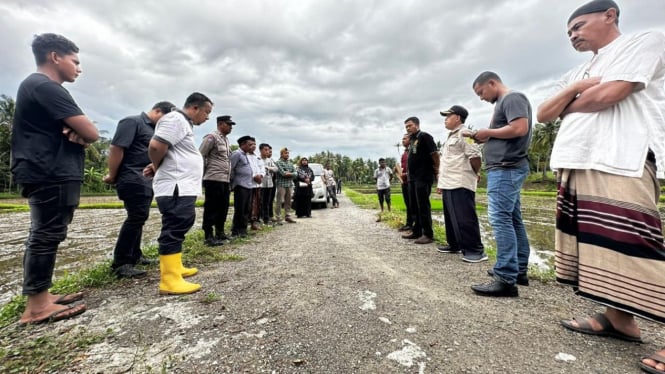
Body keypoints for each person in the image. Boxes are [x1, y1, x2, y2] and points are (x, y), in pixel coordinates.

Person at [536, 1, 665, 371]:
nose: (573, 35)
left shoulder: (645, 42)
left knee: (639, 247)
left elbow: (612, 93)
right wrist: (576, 88)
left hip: (621, 156)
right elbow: (544, 113)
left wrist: (568, 103)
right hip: (578, 159)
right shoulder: (580, 69)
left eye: (578, 25)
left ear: (610, 15)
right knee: (599, 247)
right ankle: (619, 320)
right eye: (568, 32)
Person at [11, 33, 98, 324]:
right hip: (49, 170)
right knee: (46, 235)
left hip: (49, 168)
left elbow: (84, 132)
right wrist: (84, 134)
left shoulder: (37, 87)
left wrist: (81, 134)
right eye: (75, 61)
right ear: (54, 56)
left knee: (47, 233)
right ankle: (36, 307)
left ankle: (42, 296)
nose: (79, 68)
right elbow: (92, 133)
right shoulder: (46, 86)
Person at [466, 71, 532, 297]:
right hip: (506, 168)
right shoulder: (505, 102)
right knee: (513, 218)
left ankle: (505, 277)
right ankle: (519, 269)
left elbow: (519, 128)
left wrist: (487, 133)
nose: (481, 97)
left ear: (492, 83)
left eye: (481, 92)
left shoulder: (512, 98)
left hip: (506, 168)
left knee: (500, 218)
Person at [146, 92, 212, 295]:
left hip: (181, 185)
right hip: (176, 185)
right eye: (206, 112)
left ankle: (175, 268)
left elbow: (170, 151)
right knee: (175, 225)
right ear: (194, 108)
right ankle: (169, 280)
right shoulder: (175, 119)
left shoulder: (182, 122)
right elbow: (156, 146)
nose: (207, 117)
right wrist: (157, 166)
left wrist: (158, 164)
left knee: (181, 223)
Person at [104, 101, 174, 278]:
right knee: (136, 217)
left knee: (140, 217)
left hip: (146, 180)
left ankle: (135, 254)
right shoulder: (132, 122)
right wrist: (112, 175)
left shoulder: (155, 131)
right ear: (158, 111)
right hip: (132, 177)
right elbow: (116, 148)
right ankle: (121, 263)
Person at [436, 105, 487, 263]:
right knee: (451, 217)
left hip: (461, 181)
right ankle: (455, 244)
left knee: (465, 217)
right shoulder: (451, 136)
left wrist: (474, 173)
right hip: (449, 182)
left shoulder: (465, 133)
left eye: (448, 116)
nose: (445, 119)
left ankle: (476, 251)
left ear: (457, 117)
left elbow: (475, 156)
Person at [401, 116, 439, 245]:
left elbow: (434, 154)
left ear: (417, 125)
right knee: (414, 205)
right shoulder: (412, 140)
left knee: (423, 205)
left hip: (423, 176)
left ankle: (428, 234)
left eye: (410, 125)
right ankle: (416, 230)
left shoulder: (424, 136)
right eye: (406, 126)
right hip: (413, 178)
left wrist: (437, 170)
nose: (408, 128)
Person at [199, 115, 235, 246]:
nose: (231, 127)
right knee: (211, 207)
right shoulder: (211, 137)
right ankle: (208, 236)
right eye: (229, 124)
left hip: (224, 180)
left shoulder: (226, 140)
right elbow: (200, 155)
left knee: (223, 207)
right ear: (220, 124)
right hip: (213, 178)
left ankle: (220, 232)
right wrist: (202, 174)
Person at [230, 136, 258, 237]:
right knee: (240, 209)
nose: (252, 147)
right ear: (243, 145)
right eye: (249, 145)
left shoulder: (247, 155)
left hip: (249, 185)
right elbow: (231, 169)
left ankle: (243, 230)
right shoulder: (237, 154)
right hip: (240, 185)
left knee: (247, 209)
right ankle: (236, 230)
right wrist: (233, 183)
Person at [274, 147, 297, 224]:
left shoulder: (290, 163)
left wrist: (289, 173)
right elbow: (283, 173)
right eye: (285, 153)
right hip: (281, 184)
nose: (287, 155)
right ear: (281, 154)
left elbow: (296, 174)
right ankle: (278, 218)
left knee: (288, 201)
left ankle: (288, 216)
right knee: (279, 201)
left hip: (289, 185)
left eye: (288, 153)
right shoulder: (278, 163)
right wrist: (290, 173)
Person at [397, 134, 414, 232]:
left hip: (411, 181)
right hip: (405, 182)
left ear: (410, 140)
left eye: (405, 138)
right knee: (408, 204)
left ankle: (415, 226)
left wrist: (406, 174)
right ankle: (409, 223)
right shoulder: (405, 153)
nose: (402, 140)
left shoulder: (413, 151)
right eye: (402, 138)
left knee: (413, 204)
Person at [260, 143, 279, 224]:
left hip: (269, 183)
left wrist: (268, 168)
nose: (268, 152)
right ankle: (259, 218)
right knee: (261, 201)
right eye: (266, 150)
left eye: (268, 150)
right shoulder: (258, 159)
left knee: (267, 202)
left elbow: (276, 169)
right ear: (261, 150)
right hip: (261, 184)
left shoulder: (270, 160)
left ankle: (267, 218)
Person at [248, 141, 265, 230]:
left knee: (257, 204)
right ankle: (248, 222)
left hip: (258, 184)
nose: (253, 146)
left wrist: (261, 175)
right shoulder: (245, 155)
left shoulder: (257, 156)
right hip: (249, 184)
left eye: (254, 144)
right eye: (251, 144)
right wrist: (254, 176)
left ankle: (255, 222)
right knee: (249, 204)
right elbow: (248, 168)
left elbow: (262, 167)